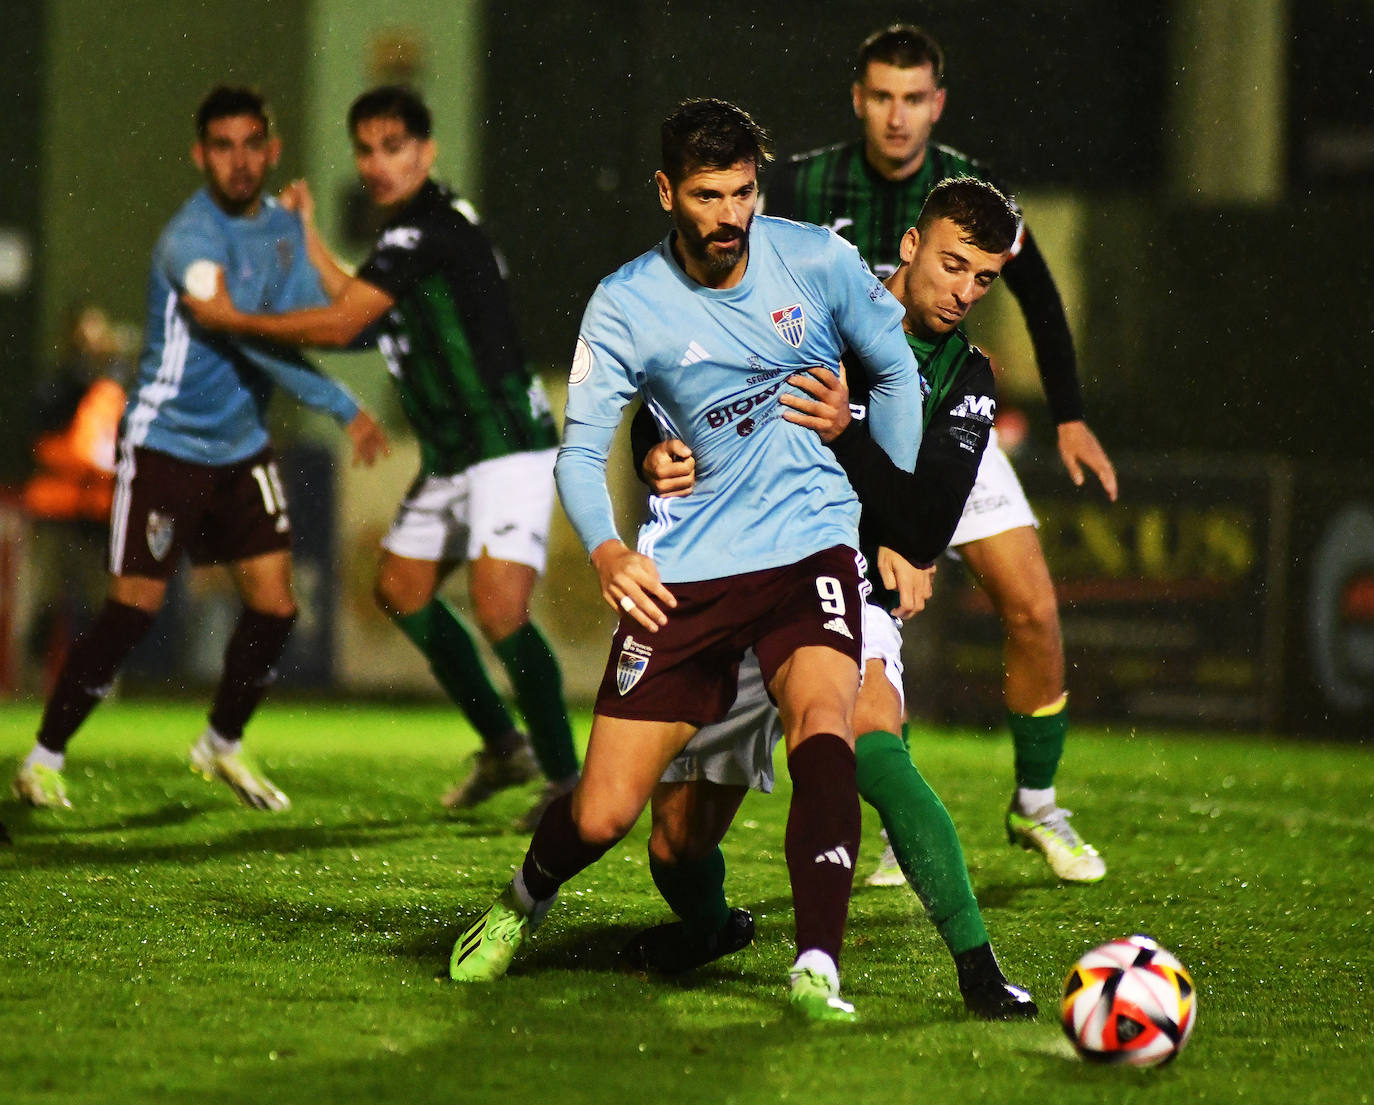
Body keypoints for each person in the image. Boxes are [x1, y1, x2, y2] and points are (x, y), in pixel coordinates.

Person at [447, 98, 925, 1023]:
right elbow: (582, 452)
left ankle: (816, 963)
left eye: (743, 192)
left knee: (824, 725)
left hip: (807, 546)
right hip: (691, 572)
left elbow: (897, 370)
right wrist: (609, 547)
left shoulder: (817, 262)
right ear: (668, 192)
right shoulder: (627, 301)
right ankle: (519, 904)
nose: (728, 216)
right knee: (608, 814)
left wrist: (890, 511)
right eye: (707, 196)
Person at [627, 177, 1036, 1020]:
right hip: (739, 568)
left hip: (844, 581)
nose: (964, 292)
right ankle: (709, 927)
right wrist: (651, 446)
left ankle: (977, 967)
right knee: (673, 839)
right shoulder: (812, 299)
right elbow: (683, 384)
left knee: (873, 749)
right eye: (953, 265)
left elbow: (922, 528)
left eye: (985, 279)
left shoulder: (968, 376)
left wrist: (847, 435)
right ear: (911, 246)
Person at [766, 24, 1116, 883]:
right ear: (858, 100)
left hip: (947, 409)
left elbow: (1036, 293)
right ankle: (893, 814)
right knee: (878, 610)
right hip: (845, 421)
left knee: (1033, 606)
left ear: (937, 104)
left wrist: (1069, 414)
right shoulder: (803, 184)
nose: (897, 117)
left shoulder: (971, 189)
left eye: (913, 98)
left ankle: (1037, 805)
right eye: (882, 96)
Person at [184, 86, 578, 824]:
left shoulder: (426, 231)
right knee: (400, 586)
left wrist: (230, 318)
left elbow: (342, 325)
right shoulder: (417, 234)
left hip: (504, 444)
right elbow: (363, 314)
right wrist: (308, 240)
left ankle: (567, 779)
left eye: (392, 146)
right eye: (364, 148)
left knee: (499, 609)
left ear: (426, 152)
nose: (375, 162)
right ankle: (503, 745)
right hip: (455, 452)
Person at [12, 85, 388, 811]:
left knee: (276, 608)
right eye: (223, 145)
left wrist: (313, 244)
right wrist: (344, 403)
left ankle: (221, 742)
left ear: (273, 151)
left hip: (242, 448)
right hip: (169, 445)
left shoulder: (282, 227)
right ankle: (43, 756)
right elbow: (247, 331)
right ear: (200, 155)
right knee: (131, 610)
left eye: (253, 143)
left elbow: (350, 317)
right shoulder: (190, 239)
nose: (239, 160)